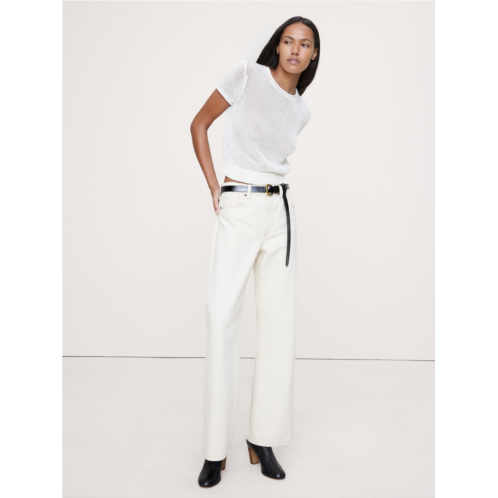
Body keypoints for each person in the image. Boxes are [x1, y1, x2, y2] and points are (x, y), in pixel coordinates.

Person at [190, 16, 320, 488]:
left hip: (280, 213)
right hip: (239, 206)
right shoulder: (247, 75)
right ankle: (214, 450)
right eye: (288, 41)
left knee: (279, 326)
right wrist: (214, 186)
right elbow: (199, 123)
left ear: (313, 55)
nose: (295, 50)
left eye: (304, 44)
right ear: (277, 46)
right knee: (222, 318)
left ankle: (262, 439)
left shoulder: (301, 110)